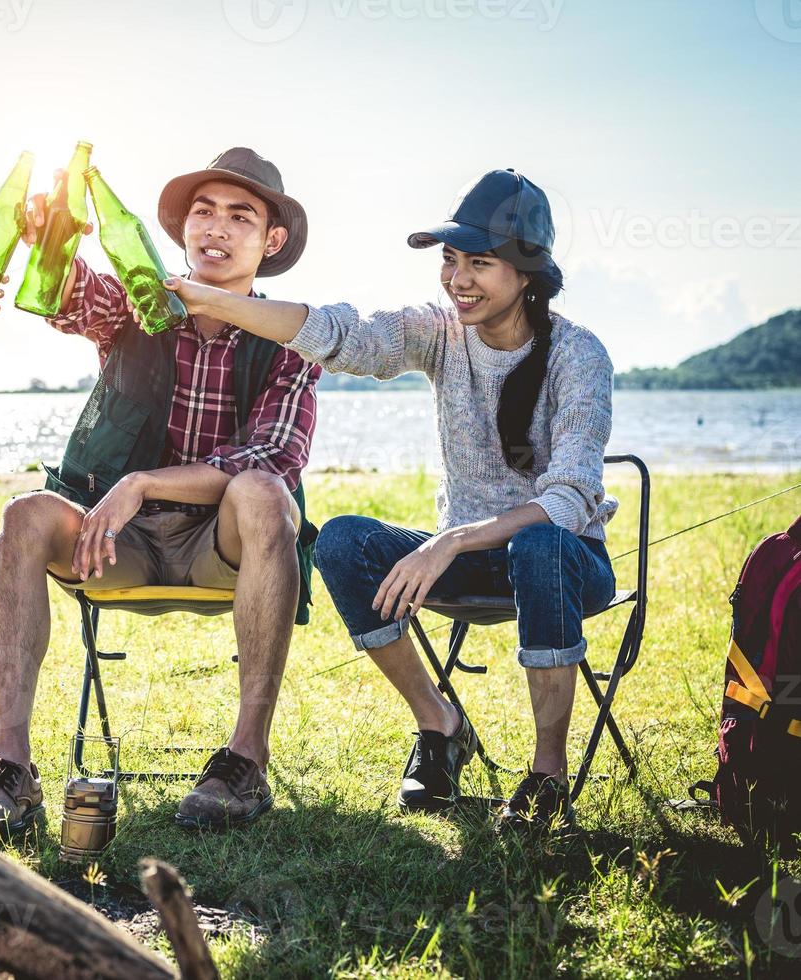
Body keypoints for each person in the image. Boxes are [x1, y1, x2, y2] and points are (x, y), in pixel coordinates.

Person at [157, 169, 617, 833]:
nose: (458, 279)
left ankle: (547, 776)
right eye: (451, 260)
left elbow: (571, 500)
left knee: (540, 540)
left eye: (479, 264)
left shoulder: (578, 355)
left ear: (527, 274)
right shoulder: (439, 333)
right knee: (341, 539)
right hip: (469, 564)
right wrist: (212, 300)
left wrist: (452, 539)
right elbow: (342, 336)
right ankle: (442, 726)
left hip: (566, 563)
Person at [0, 148, 321, 839]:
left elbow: (275, 454)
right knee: (24, 516)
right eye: (203, 212)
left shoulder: (291, 339)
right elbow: (70, 298)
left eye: (239, 216)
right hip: (116, 542)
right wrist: (52, 243)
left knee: (265, 493)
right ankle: (11, 770)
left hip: (223, 546)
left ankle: (245, 761)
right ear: (184, 230)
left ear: (271, 242)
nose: (215, 228)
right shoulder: (142, 297)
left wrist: (144, 481)